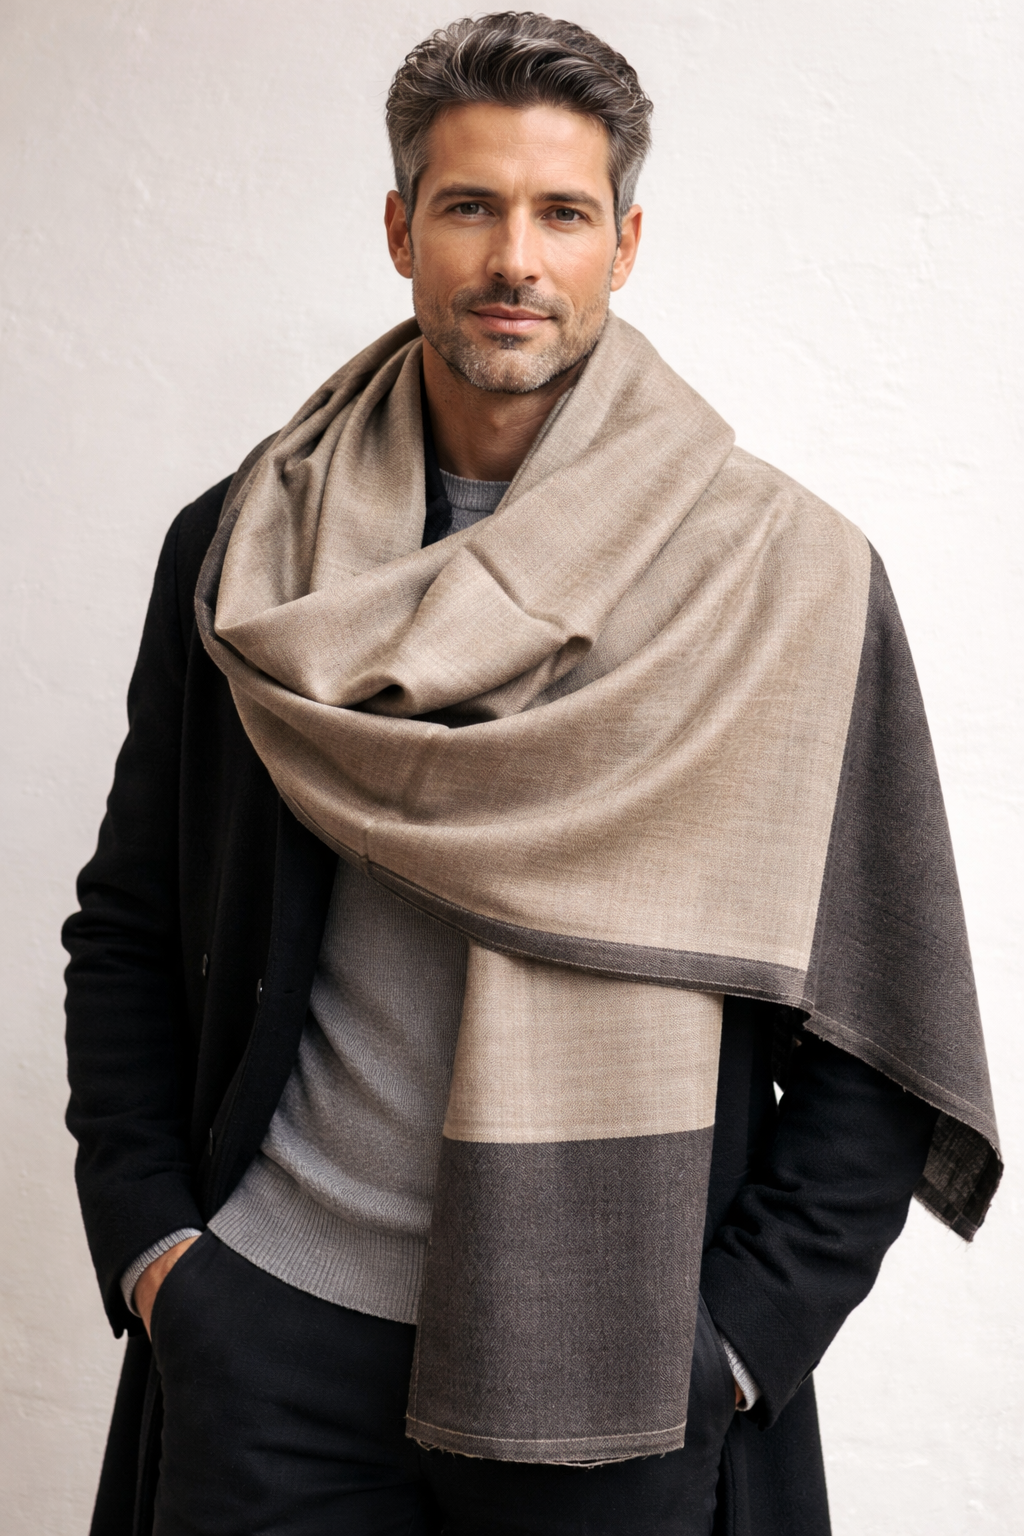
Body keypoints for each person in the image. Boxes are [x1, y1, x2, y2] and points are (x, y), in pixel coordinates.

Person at [64, 13, 1000, 1536]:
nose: (516, 259)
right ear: (400, 231)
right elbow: (130, 925)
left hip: (614, 1366)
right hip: (272, 1333)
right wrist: (160, 1252)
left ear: (625, 243)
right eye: (469, 206)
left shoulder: (780, 579)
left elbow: (877, 1013)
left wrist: (735, 1347)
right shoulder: (246, 556)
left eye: (563, 213)